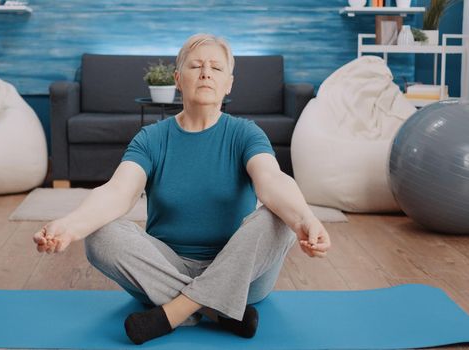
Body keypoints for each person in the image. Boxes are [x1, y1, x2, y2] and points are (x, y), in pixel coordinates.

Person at [33, 33, 331, 345]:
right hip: (164, 267)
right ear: (178, 79)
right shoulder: (151, 138)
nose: (205, 73)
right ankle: (220, 310)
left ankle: (175, 312)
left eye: (216, 68)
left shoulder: (245, 134)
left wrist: (305, 220)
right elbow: (118, 192)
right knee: (100, 234)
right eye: (196, 66)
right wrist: (69, 226)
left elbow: (272, 180)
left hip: (244, 274)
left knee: (277, 218)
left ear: (228, 83)